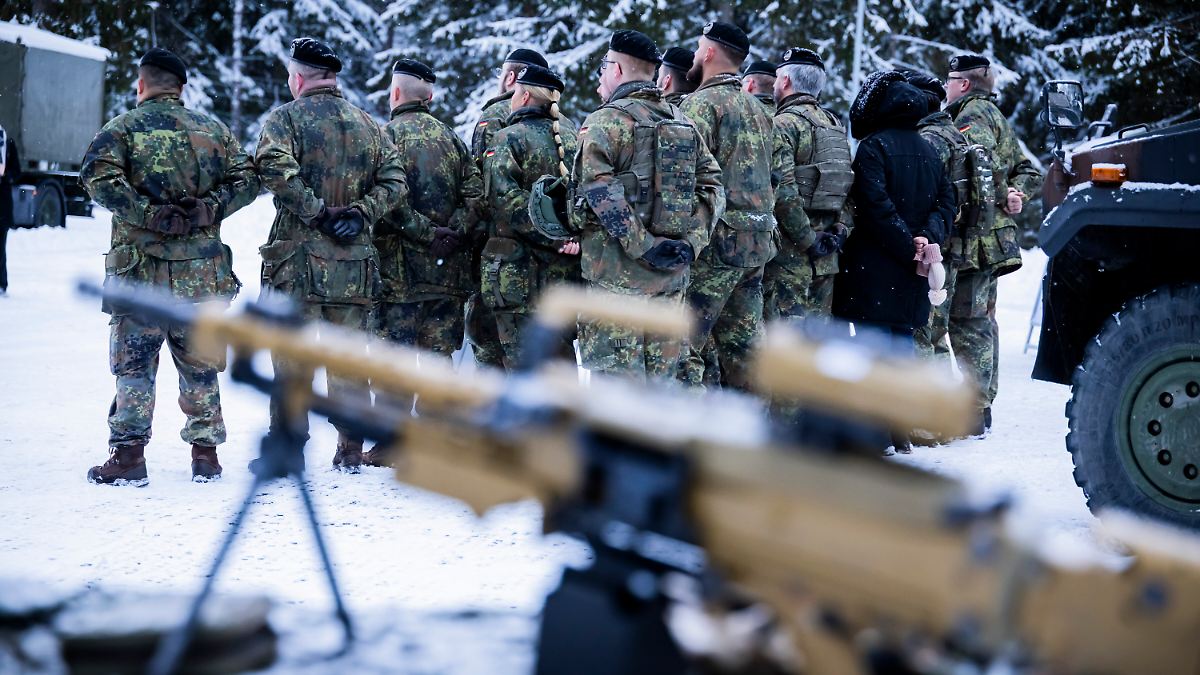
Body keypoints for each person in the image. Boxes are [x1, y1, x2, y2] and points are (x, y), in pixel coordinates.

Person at [80, 48, 259, 485]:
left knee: (134, 364)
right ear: (180, 87)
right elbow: (249, 179)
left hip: (140, 270)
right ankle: (205, 455)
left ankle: (128, 457)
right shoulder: (214, 131)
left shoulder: (120, 130)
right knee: (200, 360)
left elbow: (96, 177)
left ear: (141, 84)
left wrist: (146, 213)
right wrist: (207, 209)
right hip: (201, 271)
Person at [255, 37, 408, 472]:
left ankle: (288, 449)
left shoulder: (285, 119)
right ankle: (351, 449)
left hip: (296, 264)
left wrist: (316, 211)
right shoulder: (369, 124)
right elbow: (395, 181)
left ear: (298, 77)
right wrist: (361, 214)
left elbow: (273, 168)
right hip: (352, 266)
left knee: (291, 358)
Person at [569, 29, 724, 381]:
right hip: (669, 286)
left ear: (616, 70)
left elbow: (596, 191)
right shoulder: (682, 122)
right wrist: (689, 244)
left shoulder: (605, 122)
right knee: (661, 392)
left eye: (604, 67)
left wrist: (644, 246)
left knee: (615, 398)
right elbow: (714, 186)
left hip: (615, 289)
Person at [944, 54, 1043, 435]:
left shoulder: (972, 115)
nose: (946, 86)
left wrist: (1005, 192)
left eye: (950, 79)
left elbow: (978, 167)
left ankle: (974, 412)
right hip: (991, 238)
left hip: (977, 238)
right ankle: (980, 408)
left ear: (964, 84)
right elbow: (1028, 170)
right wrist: (1017, 193)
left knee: (968, 324)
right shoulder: (994, 115)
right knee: (980, 322)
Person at [678, 21, 775, 391]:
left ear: (710, 52)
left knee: (686, 344)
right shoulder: (760, 110)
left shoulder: (700, 105)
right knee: (744, 349)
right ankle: (749, 433)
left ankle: (690, 435)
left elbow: (687, 180)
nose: (696, 52)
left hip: (716, 244)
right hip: (757, 241)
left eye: (699, 44)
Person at [375, 58, 482, 360]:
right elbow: (476, 196)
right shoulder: (452, 139)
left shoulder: (383, 138)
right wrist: (452, 233)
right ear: (429, 98)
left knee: (393, 375)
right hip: (446, 277)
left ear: (395, 94)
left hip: (400, 280)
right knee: (439, 375)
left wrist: (425, 233)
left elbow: (385, 199)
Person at [481, 64, 580, 369]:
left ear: (523, 96)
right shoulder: (573, 137)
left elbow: (505, 202)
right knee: (560, 363)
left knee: (522, 367)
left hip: (518, 275)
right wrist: (568, 237)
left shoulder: (507, 139)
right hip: (563, 274)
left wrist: (551, 236)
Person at [466, 48, 555, 370]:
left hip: (506, 257)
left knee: (494, 346)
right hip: (556, 263)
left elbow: (483, 191)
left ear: (512, 79)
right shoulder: (565, 126)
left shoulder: (496, 121)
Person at [767, 47, 854, 323]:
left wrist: (806, 238)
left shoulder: (782, 125)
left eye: (777, 78)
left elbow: (783, 190)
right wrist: (840, 230)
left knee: (784, 349)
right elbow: (847, 182)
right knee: (815, 351)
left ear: (785, 82)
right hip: (827, 256)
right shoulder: (834, 124)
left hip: (790, 258)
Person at [905, 70, 972, 368]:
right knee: (935, 333)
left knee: (921, 331)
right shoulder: (953, 133)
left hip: (933, 250)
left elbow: (923, 196)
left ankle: (926, 411)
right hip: (949, 243)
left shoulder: (930, 139)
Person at [0, 124, 18, 296]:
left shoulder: (7, 143)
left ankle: (2, 284)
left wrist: (6, 176)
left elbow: (16, 170)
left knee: (0, 247)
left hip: (2, 206)